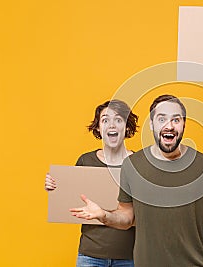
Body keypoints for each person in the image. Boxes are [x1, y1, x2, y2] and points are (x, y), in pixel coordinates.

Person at [70, 94, 203, 267]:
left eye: (175, 119)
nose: (169, 126)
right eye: (161, 119)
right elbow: (126, 218)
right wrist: (103, 215)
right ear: (151, 124)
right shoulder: (132, 166)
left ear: (183, 125)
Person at [45, 100, 138, 267]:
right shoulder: (85, 160)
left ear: (127, 127)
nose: (112, 125)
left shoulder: (139, 163)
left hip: (129, 257)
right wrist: (55, 187)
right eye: (105, 120)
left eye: (118, 119)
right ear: (98, 129)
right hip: (90, 255)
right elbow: (70, 199)